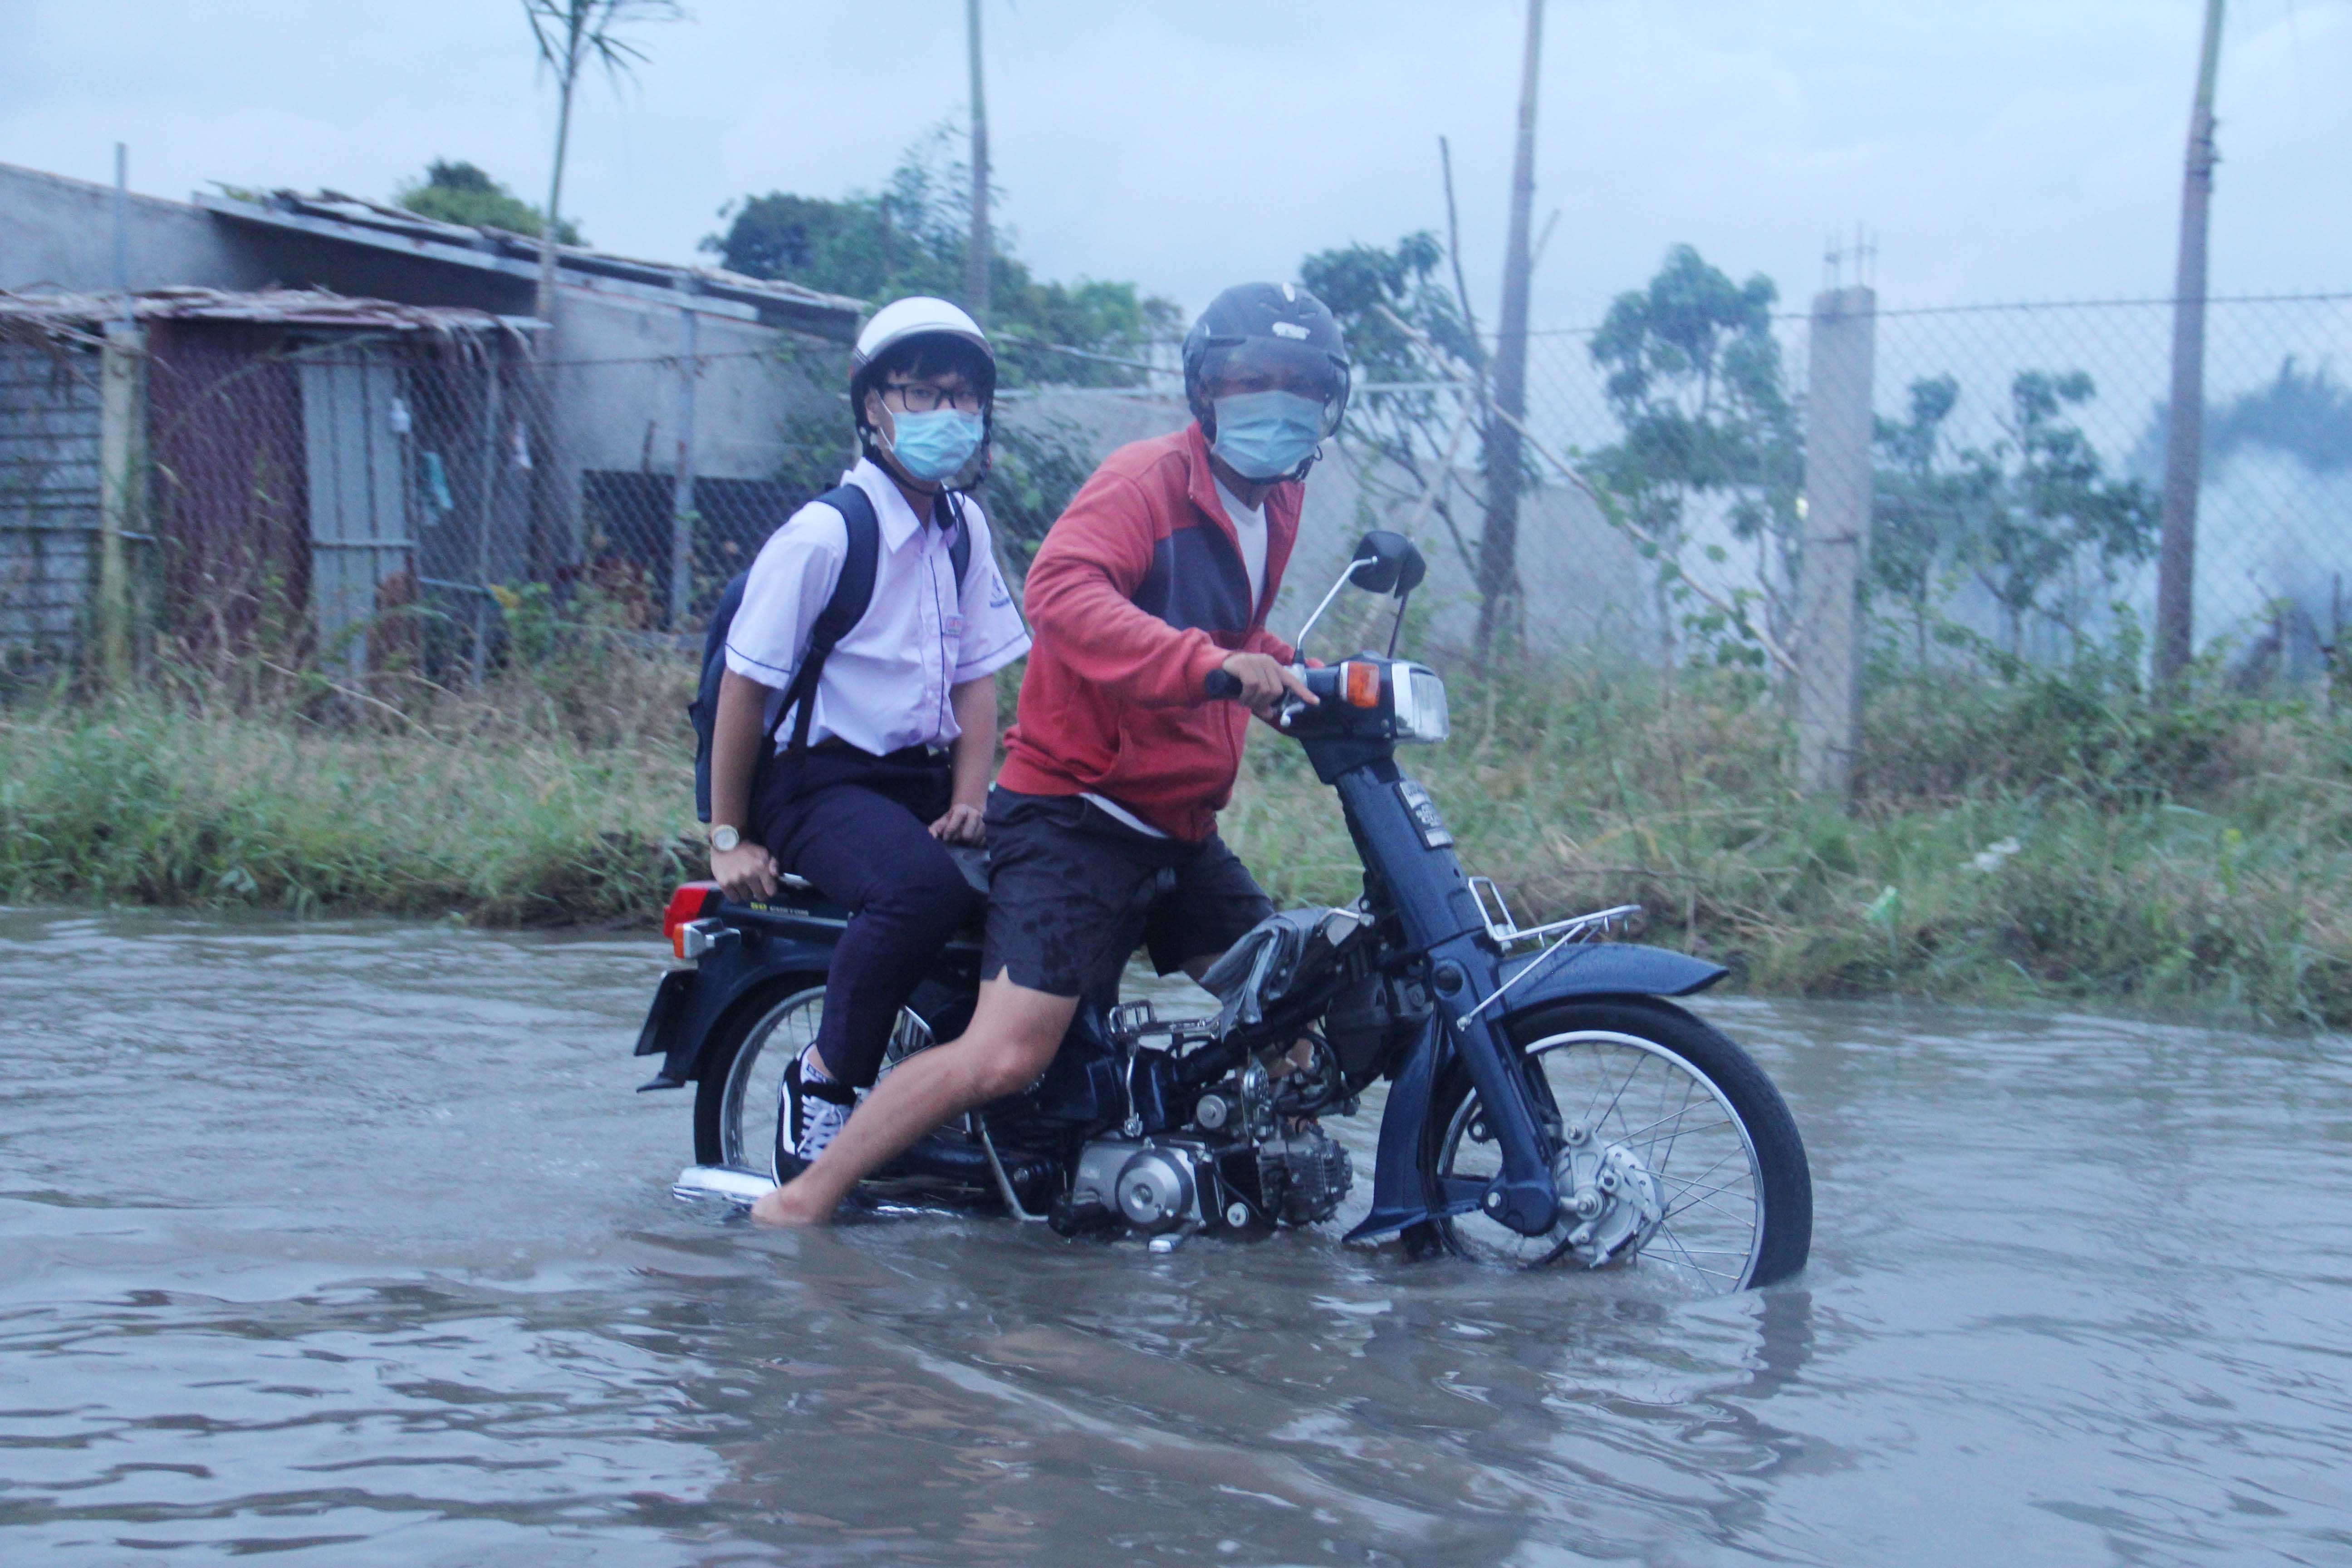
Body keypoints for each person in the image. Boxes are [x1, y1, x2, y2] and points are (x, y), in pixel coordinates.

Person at [751, 281, 1350, 1226]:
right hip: (1076, 815)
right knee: (1008, 1054)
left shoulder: (1279, 500)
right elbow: (1065, 596)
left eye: (1300, 383)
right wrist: (1217, 668)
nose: (1276, 401)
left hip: (1178, 824)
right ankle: (800, 1206)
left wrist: (1306, 675)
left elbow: (1228, 630)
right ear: (1205, 390)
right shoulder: (1146, 479)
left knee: (1288, 1023)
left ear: (1330, 403)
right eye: (1252, 379)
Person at [708, 296, 1029, 1176]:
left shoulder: (964, 530)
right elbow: (744, 690)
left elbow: (977, 677)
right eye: (922, 394)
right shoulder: (825, 536)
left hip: (922, 778)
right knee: (917, 891)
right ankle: (827, 1079)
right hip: (818, 782)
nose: (948, 416)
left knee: (1061, 859)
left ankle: (999, 1094)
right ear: (871, 406)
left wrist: (971, 798)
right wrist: (730, 836)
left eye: (963, 398)